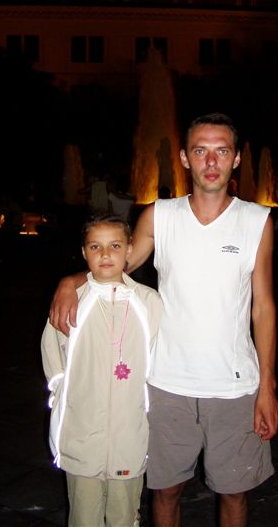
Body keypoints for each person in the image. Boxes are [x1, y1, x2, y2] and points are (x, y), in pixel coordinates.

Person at [49, 113, 278, 527]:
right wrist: (71, 281)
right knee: (165, 491)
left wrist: (267, 387)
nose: (211, 161)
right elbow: (115, 266)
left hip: (234, 386)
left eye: (222, 151)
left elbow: (263, 307)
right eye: (201, 151)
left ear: (236, 159)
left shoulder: (256, 221)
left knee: (234, 493)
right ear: (185, 158)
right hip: (168, 383)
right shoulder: (160, 215)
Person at [41, 215, 163, 527]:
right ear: (84, 252)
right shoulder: (72, 301)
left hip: (129, 435)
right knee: (84, 515)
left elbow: (158, 357)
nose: (106, 254)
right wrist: (62, 396)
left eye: (115, 246)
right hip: (82, 434)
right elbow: (53, 353)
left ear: (130, 249)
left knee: (124, 515)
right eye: (95, 247)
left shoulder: (149, 302)